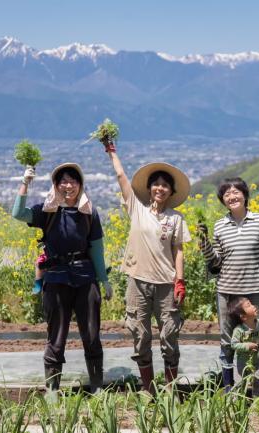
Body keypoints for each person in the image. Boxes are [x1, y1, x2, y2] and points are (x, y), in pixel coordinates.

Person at [12, 163, 113, 393]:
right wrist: (25, 183)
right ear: (56, 185)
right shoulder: (47, 210)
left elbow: (96, 249)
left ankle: (96, 386)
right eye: (63, 181)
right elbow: (18, 213)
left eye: (73, 181)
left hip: (85, 278)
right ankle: (53, 389)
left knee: (91, 333)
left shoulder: (89, 212)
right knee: (56, 335)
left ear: (80, 184)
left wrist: (103, 280)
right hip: (56, 279)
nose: (68, 186)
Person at [103, 138, 191, 394]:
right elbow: (121, 176)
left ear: (171, 192)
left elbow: (179, 251)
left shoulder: (176, 219)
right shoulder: (136, 209)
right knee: (140, 335)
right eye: (156, 184)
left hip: (166, 284)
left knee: (169, 335)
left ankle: (171, 388)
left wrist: (180, 281)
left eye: (165, 186)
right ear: (149, 188)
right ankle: (148, 389)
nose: (160, 189)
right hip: (138, 282)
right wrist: (112, 152)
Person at [196, 177, 259, 391]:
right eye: (226, 194)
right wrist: (204, 242)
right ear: (223, 200)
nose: (232, 196)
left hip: (255, 291)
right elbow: (216, 261)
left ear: (245, 195)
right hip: (227, 291)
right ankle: (229, 388)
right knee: (227, 340)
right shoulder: (220, 225)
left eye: (236, 192)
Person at [229, 297, 259, 396]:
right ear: (243, 316)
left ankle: (257, 404)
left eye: (251, 303)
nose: (253, 306)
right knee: (239, 384)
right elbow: (233, 344)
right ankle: (236, 404)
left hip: (257, 361)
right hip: (241, 363)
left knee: (258, 382)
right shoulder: (239, 330)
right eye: (248, 305)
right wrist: (246, 345)